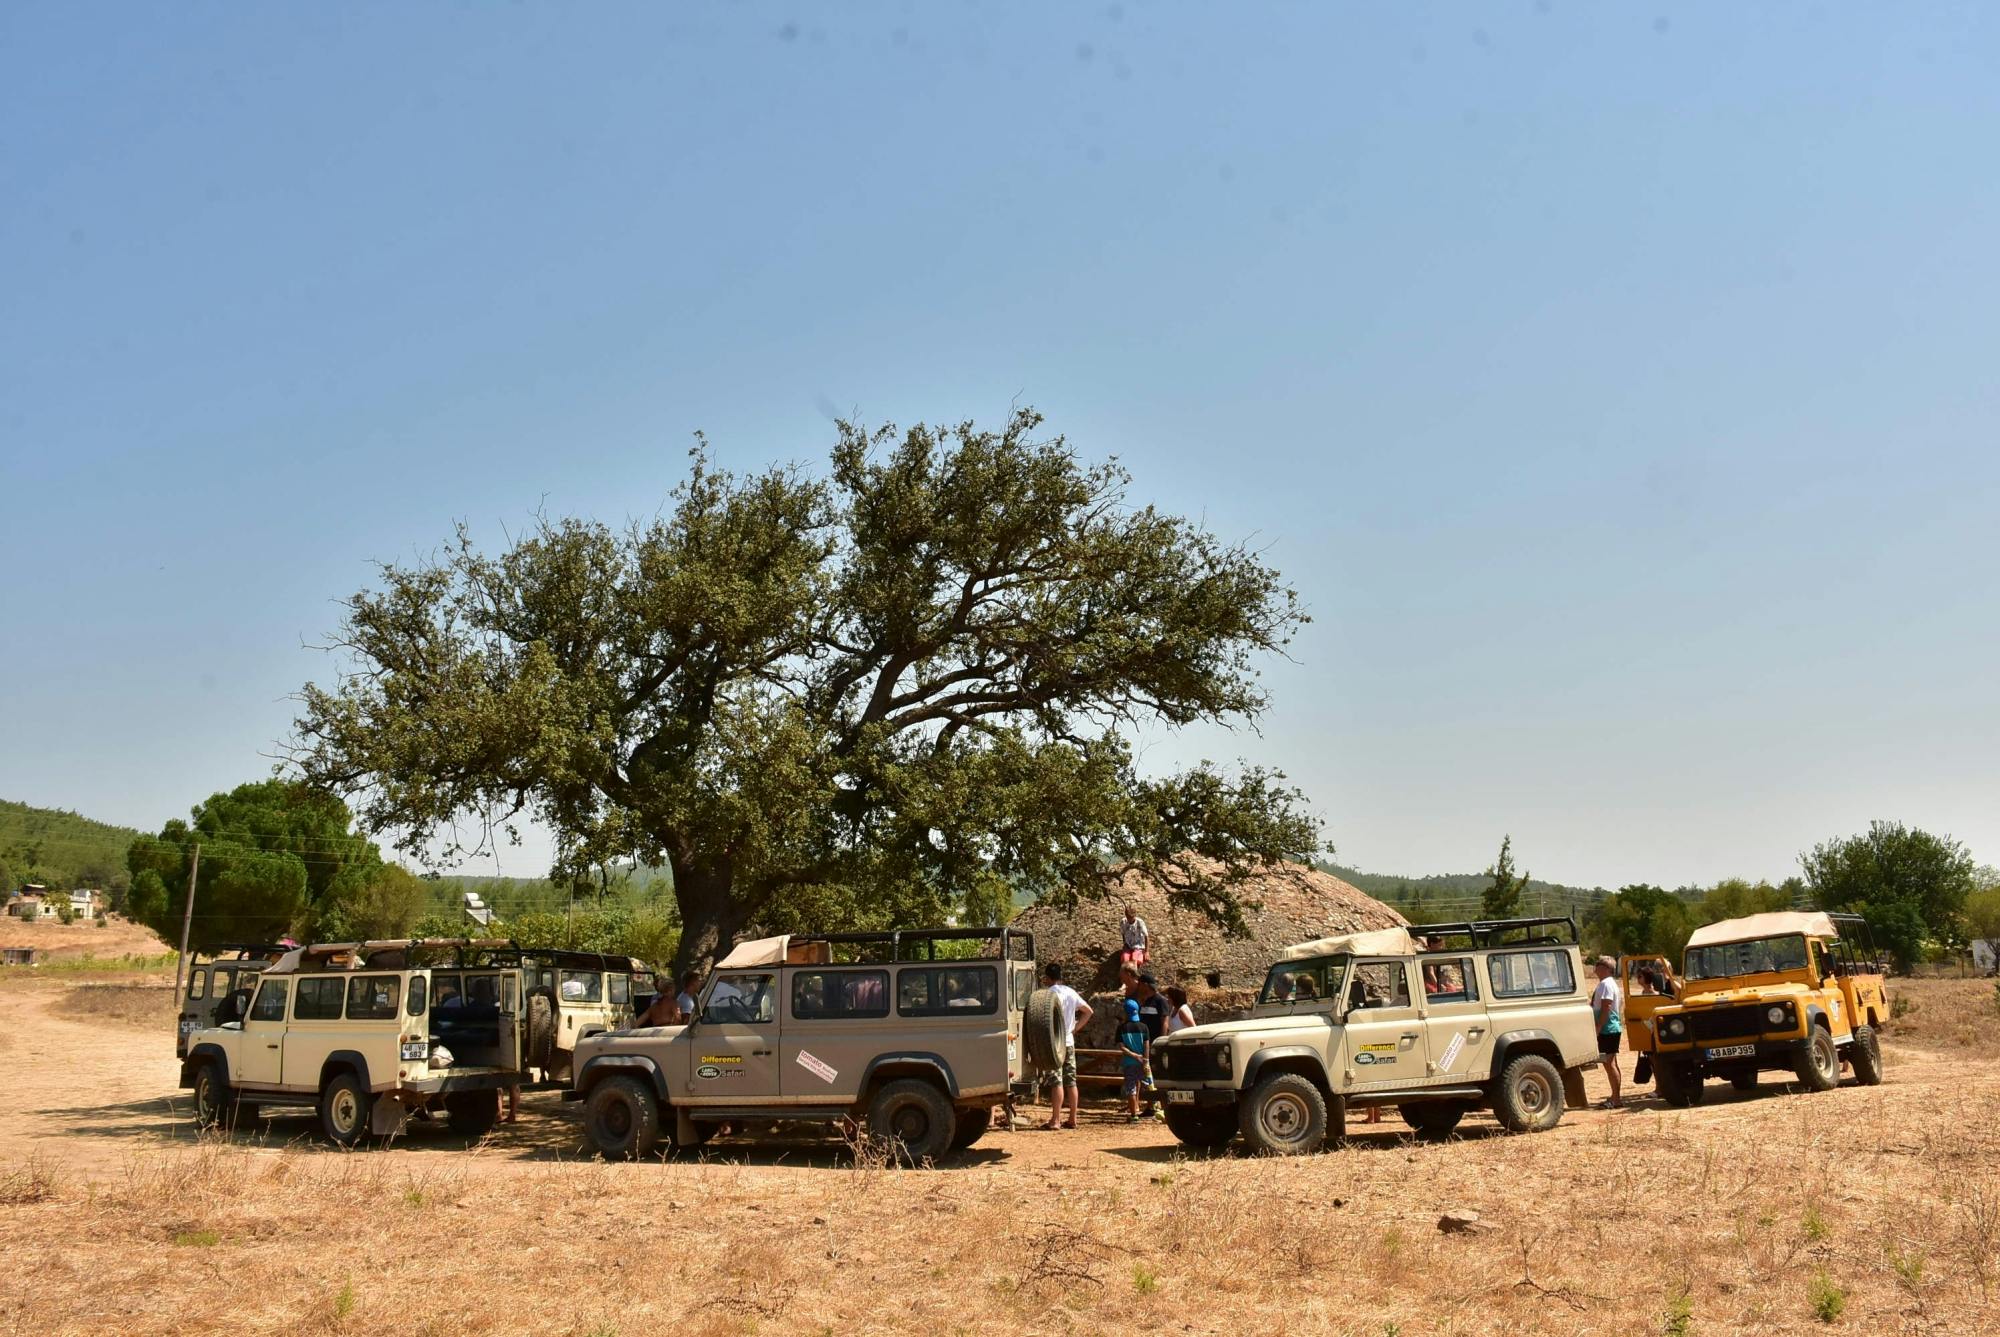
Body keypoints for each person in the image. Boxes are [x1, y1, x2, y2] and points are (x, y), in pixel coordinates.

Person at [1040, 962, 1093, 1131]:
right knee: (1071, 1081)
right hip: (1069, 1040)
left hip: (1055, 1043)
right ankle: (1072, 1119)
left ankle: (1055, 1120)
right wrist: (1075, 1028)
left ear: (1047, 978)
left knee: (1057, 1080)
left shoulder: (1048, 995)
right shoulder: (1071, 992)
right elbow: (1088, 1011)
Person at [1134, 973, 1172, 1117]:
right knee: (1146, 1074)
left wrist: (1160, 1042)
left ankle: (1161, 1106)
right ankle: (1151, 1106)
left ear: (1145, 984)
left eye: (1139, 984)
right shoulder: (1145, 1001)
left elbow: (1165, 1022)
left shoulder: (1160, 1001)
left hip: (1155, 1043)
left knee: (1156, 1074)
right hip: (1144, 1044)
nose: (1138, 986)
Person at [1592, 956, 1624, 1109]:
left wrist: (1599, 1026)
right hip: (1610, 1028)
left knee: (1609, 1063)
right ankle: (1614, 1096)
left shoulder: (1606, 984)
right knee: (1610, 1063)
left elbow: (1606, 1006)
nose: (1595, 967)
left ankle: (1616, 1099)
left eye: (1598, 964)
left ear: (1606, 968)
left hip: (1608, 1029)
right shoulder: (1608, 984)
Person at [1116, 998, 1150, 1121]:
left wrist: (1133, 1055)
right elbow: (1147, 1045)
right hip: (1143, 1062)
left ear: (1125, 1012)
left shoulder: (1121, 1028)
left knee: (1131, 1088)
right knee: (1148, 1085)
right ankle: (1153, 1108)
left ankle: (1134, 1115)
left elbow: (1121, 1047)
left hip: (1129, 1063)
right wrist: (1145, 1059)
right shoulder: (1144, 1027)